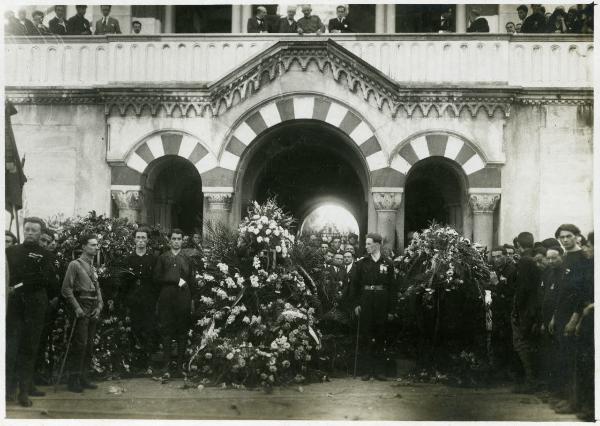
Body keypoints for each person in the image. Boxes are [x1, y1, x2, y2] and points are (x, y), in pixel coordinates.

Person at [5, 217, 58, 407]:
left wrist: (16, 286)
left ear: (40, 233)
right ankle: (8, 389)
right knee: (10, 348)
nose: (29, 233)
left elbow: (39, 279)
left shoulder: (46, 255)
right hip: (14, 307)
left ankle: (24, 392)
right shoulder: (10, 252)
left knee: (29, 348)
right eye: (27, 229)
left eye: (34, 230)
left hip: (35, 306)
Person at [549, 224, 590, 414]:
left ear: (577, 237)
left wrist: (574, 319)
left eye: (568, 236)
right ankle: (567, 397)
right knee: (564, 358)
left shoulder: (583, 258)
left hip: (576, 315)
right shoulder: (565, 258)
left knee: (574, 360)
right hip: (562, 315)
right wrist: (554, 317)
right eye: (561, 237)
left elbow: (582, 293)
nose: (565, 240)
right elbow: (561, 292)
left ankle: (576, 401)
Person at [350, 233, 396, 381]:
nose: (366, 246)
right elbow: (355, 286)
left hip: (382, 301)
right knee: (366, 336)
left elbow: (392, 288)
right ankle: (367, 371)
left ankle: (380, 371)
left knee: (381, 335)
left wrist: (391, 310)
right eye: (366, 243)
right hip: (366, 301)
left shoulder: (388, 263)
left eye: (369, 243)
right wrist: (357, 304)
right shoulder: (361, 263)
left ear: (378, 244)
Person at [61, 233, 103, 393]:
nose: (96, 247)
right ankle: (73, 380)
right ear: (84, 247)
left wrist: (99, 305)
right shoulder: (75, 265)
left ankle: (84, 378)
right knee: (80, 344)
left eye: (96, 245)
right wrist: (77, 308)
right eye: (92, 244)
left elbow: (97, 288)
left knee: (89, 344)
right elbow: (66, 289)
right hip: (81, 305)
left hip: (92, 306)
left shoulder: (92, 266)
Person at [154, 229, 195, 378]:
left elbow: (192, 280)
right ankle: (166, 367)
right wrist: (174, 280)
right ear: (169, 240)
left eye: (179, 238)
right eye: (174, 238)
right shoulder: (163, 257)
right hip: (167, 298)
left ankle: (179, 367)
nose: (176, 241)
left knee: (182, 332)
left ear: (183, 240)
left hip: (183, 298)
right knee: (166, 331)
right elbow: (157, 278)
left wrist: (192, 300)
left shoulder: (188, 258)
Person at [511, 231, 542, 393]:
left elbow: (523, 289)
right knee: (528, 343)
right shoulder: (534, 259)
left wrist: (517, 308)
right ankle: (532, 380)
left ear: (518, 246)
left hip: (525, 310)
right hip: (534, 308)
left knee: (521, 343)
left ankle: (531, 381)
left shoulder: (524, 261)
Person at [125, 227, 158, 371]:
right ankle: (135, 363)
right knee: (134, 329)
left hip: (148, 300)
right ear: (134, 240)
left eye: (143, 238)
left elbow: (156, 281)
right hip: (132, 301)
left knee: (148, 330)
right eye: (138, 238)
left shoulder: (153, 259)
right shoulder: (128, 259)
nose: (140, 241)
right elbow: (124, 283)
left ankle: (147, 362)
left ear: (148, 240)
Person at [538, 244, 564, 397]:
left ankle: (557, 391)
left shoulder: (563, 274)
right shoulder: (549, 273)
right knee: (548, 354)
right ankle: (550, 388)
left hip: (557, 319)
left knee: (557, 355)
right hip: (547, 319)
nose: (551, 261)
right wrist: (543, 321)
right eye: (549, 258)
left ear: (561, 256)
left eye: (554, 258)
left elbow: (560, 299)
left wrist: (554, 318)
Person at [489, 246, 518, 378]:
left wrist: (496, 284)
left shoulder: (512, 270)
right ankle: (498, 370)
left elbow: (512, 292)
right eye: (494, 257)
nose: (496, 259)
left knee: (507, 339)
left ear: (506, 256)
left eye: (499, 256)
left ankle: (509, 371)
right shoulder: (495, 269)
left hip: (508, 310)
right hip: (497, 309)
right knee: (497, 339)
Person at [574, 232, 593, 421]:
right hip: (587, 317)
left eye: (588, 245)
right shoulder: (588, 265)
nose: (585, 249)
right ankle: (586, 404)